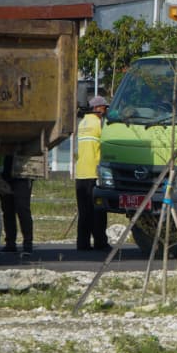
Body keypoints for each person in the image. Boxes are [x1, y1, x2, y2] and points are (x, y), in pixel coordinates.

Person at [76, 95, 110, 252]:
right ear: (97, 108)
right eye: (104, 107)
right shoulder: (99, 124)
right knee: (98, 211)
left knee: (84, 212)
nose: (105, 110)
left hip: (80, 173)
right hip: (94, 173)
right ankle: (100, 242)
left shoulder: (82, 123)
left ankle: (82, 244)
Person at [0, 153, 34, 254]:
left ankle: (28, 245)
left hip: (23, 173)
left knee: (22, 209)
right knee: (7, 210)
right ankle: (10, 244)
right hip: (5, 173)